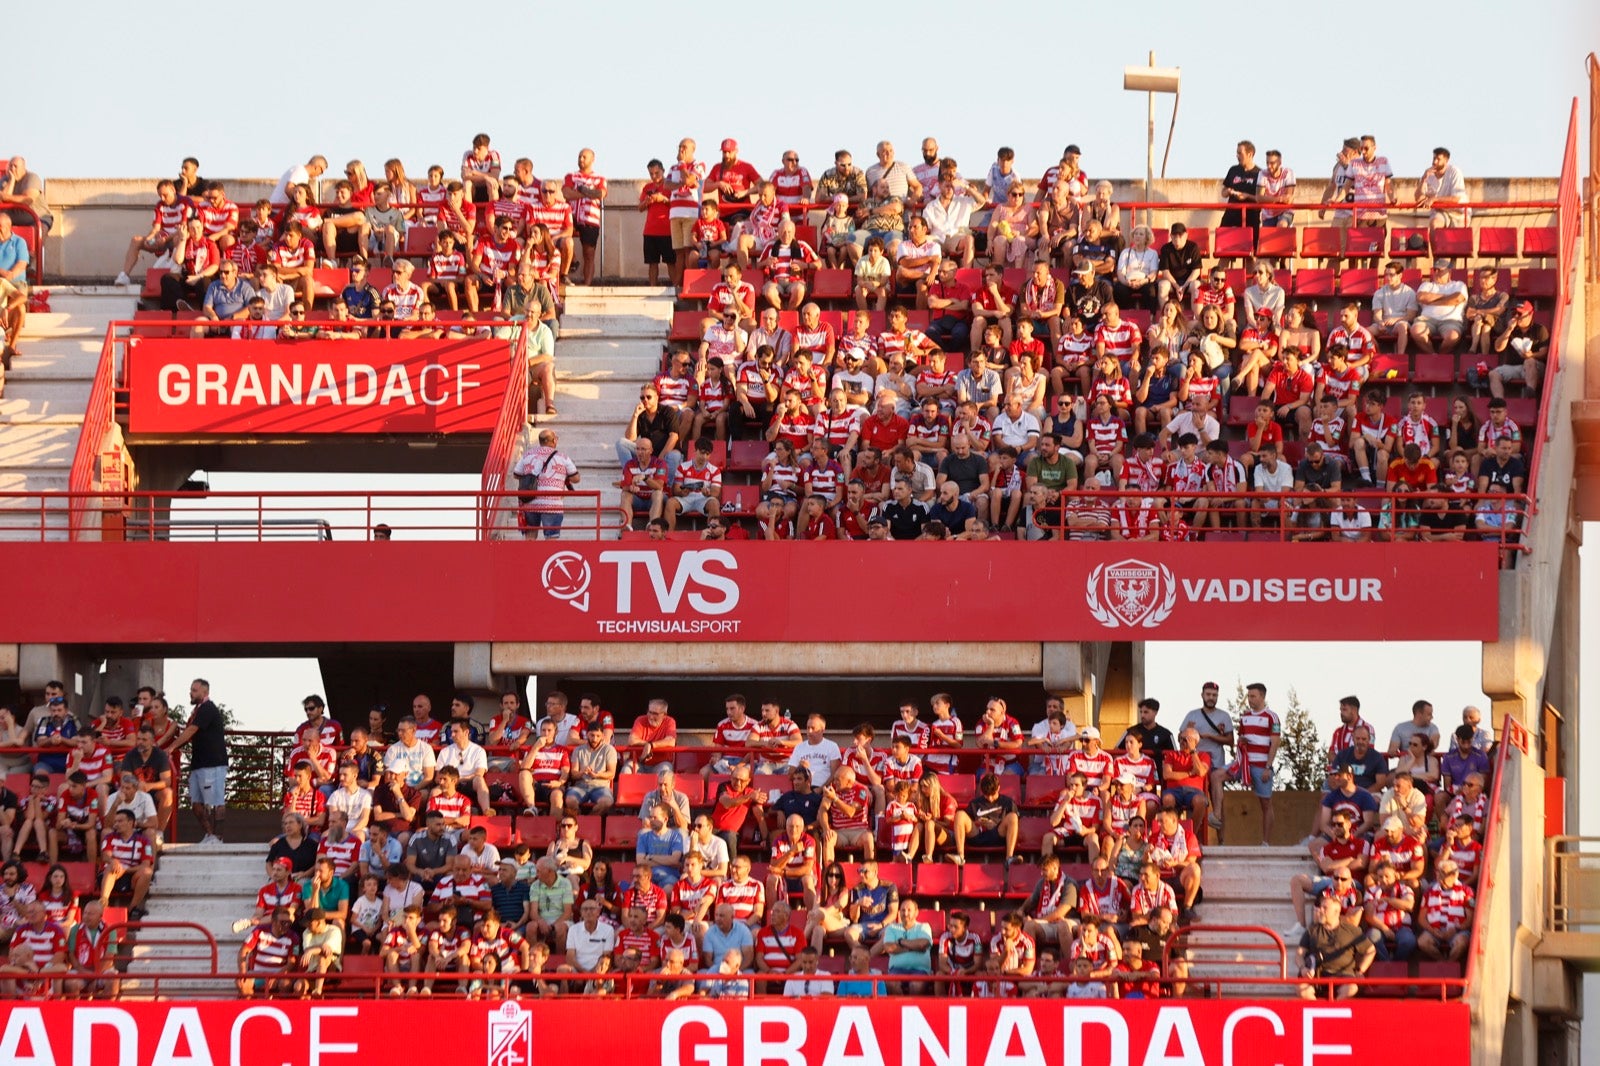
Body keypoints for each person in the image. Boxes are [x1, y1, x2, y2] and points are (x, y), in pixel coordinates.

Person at [1297, 895, 1374, 1000]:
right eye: (1320, 907)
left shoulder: (1351, 930)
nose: (1320, 910)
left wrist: (1360, 971)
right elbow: (1299, 954)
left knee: (1351, 988)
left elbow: (1371, 950)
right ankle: (1318, 1013)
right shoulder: (1312, 930)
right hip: (1317, 975)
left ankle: (1333, 1012)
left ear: (1336, 912)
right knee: (1301, 989)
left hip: (1344, 975)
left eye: (1325, 908)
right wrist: (1303, 968)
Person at [1234, 683, 1281, 844]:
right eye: (1249, 696)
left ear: (1262, 697)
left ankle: (1265, 842)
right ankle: (1217, 818)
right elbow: (1240, 739)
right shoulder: (1245, 716)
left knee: (1265, 803)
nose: (1250, 699)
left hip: (1261, 766)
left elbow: (1275, 743)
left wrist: (1268, 767)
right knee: (1218, 776)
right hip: (1243, 765)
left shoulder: (1271, 717)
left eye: (1253, 696)